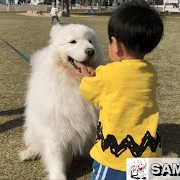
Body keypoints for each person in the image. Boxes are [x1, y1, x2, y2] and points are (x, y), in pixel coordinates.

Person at [68, 0, 164, 179]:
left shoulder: (108, 72)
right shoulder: (150, 71)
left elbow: (90, 91)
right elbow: (123, 83)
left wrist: (84, 76)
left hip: (116, 157)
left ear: (116, 45)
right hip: (146, 156)